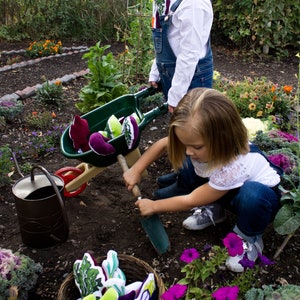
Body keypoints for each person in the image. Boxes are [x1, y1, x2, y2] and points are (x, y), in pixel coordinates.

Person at [123, 88, 282, 272]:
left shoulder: (234, 166)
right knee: (194, 163)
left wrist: (154, 206)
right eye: (185, 144)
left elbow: (191, 199)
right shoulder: (203, 142)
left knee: (253, 196)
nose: (189, 151)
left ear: (222, 138)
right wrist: (136, 169)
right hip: (227, 189)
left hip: (262, 202)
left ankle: (249, 238)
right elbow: (163, 144)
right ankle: (216, 210)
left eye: (196, 146)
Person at [149, 0, 214, 113]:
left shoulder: (193, 4)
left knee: (195, 125)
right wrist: (156, 70)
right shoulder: (164, 2)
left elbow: (190, 52)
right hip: (175, 75)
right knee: (179, 125)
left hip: (193, 78)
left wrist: (177, 95)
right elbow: (169, 39)